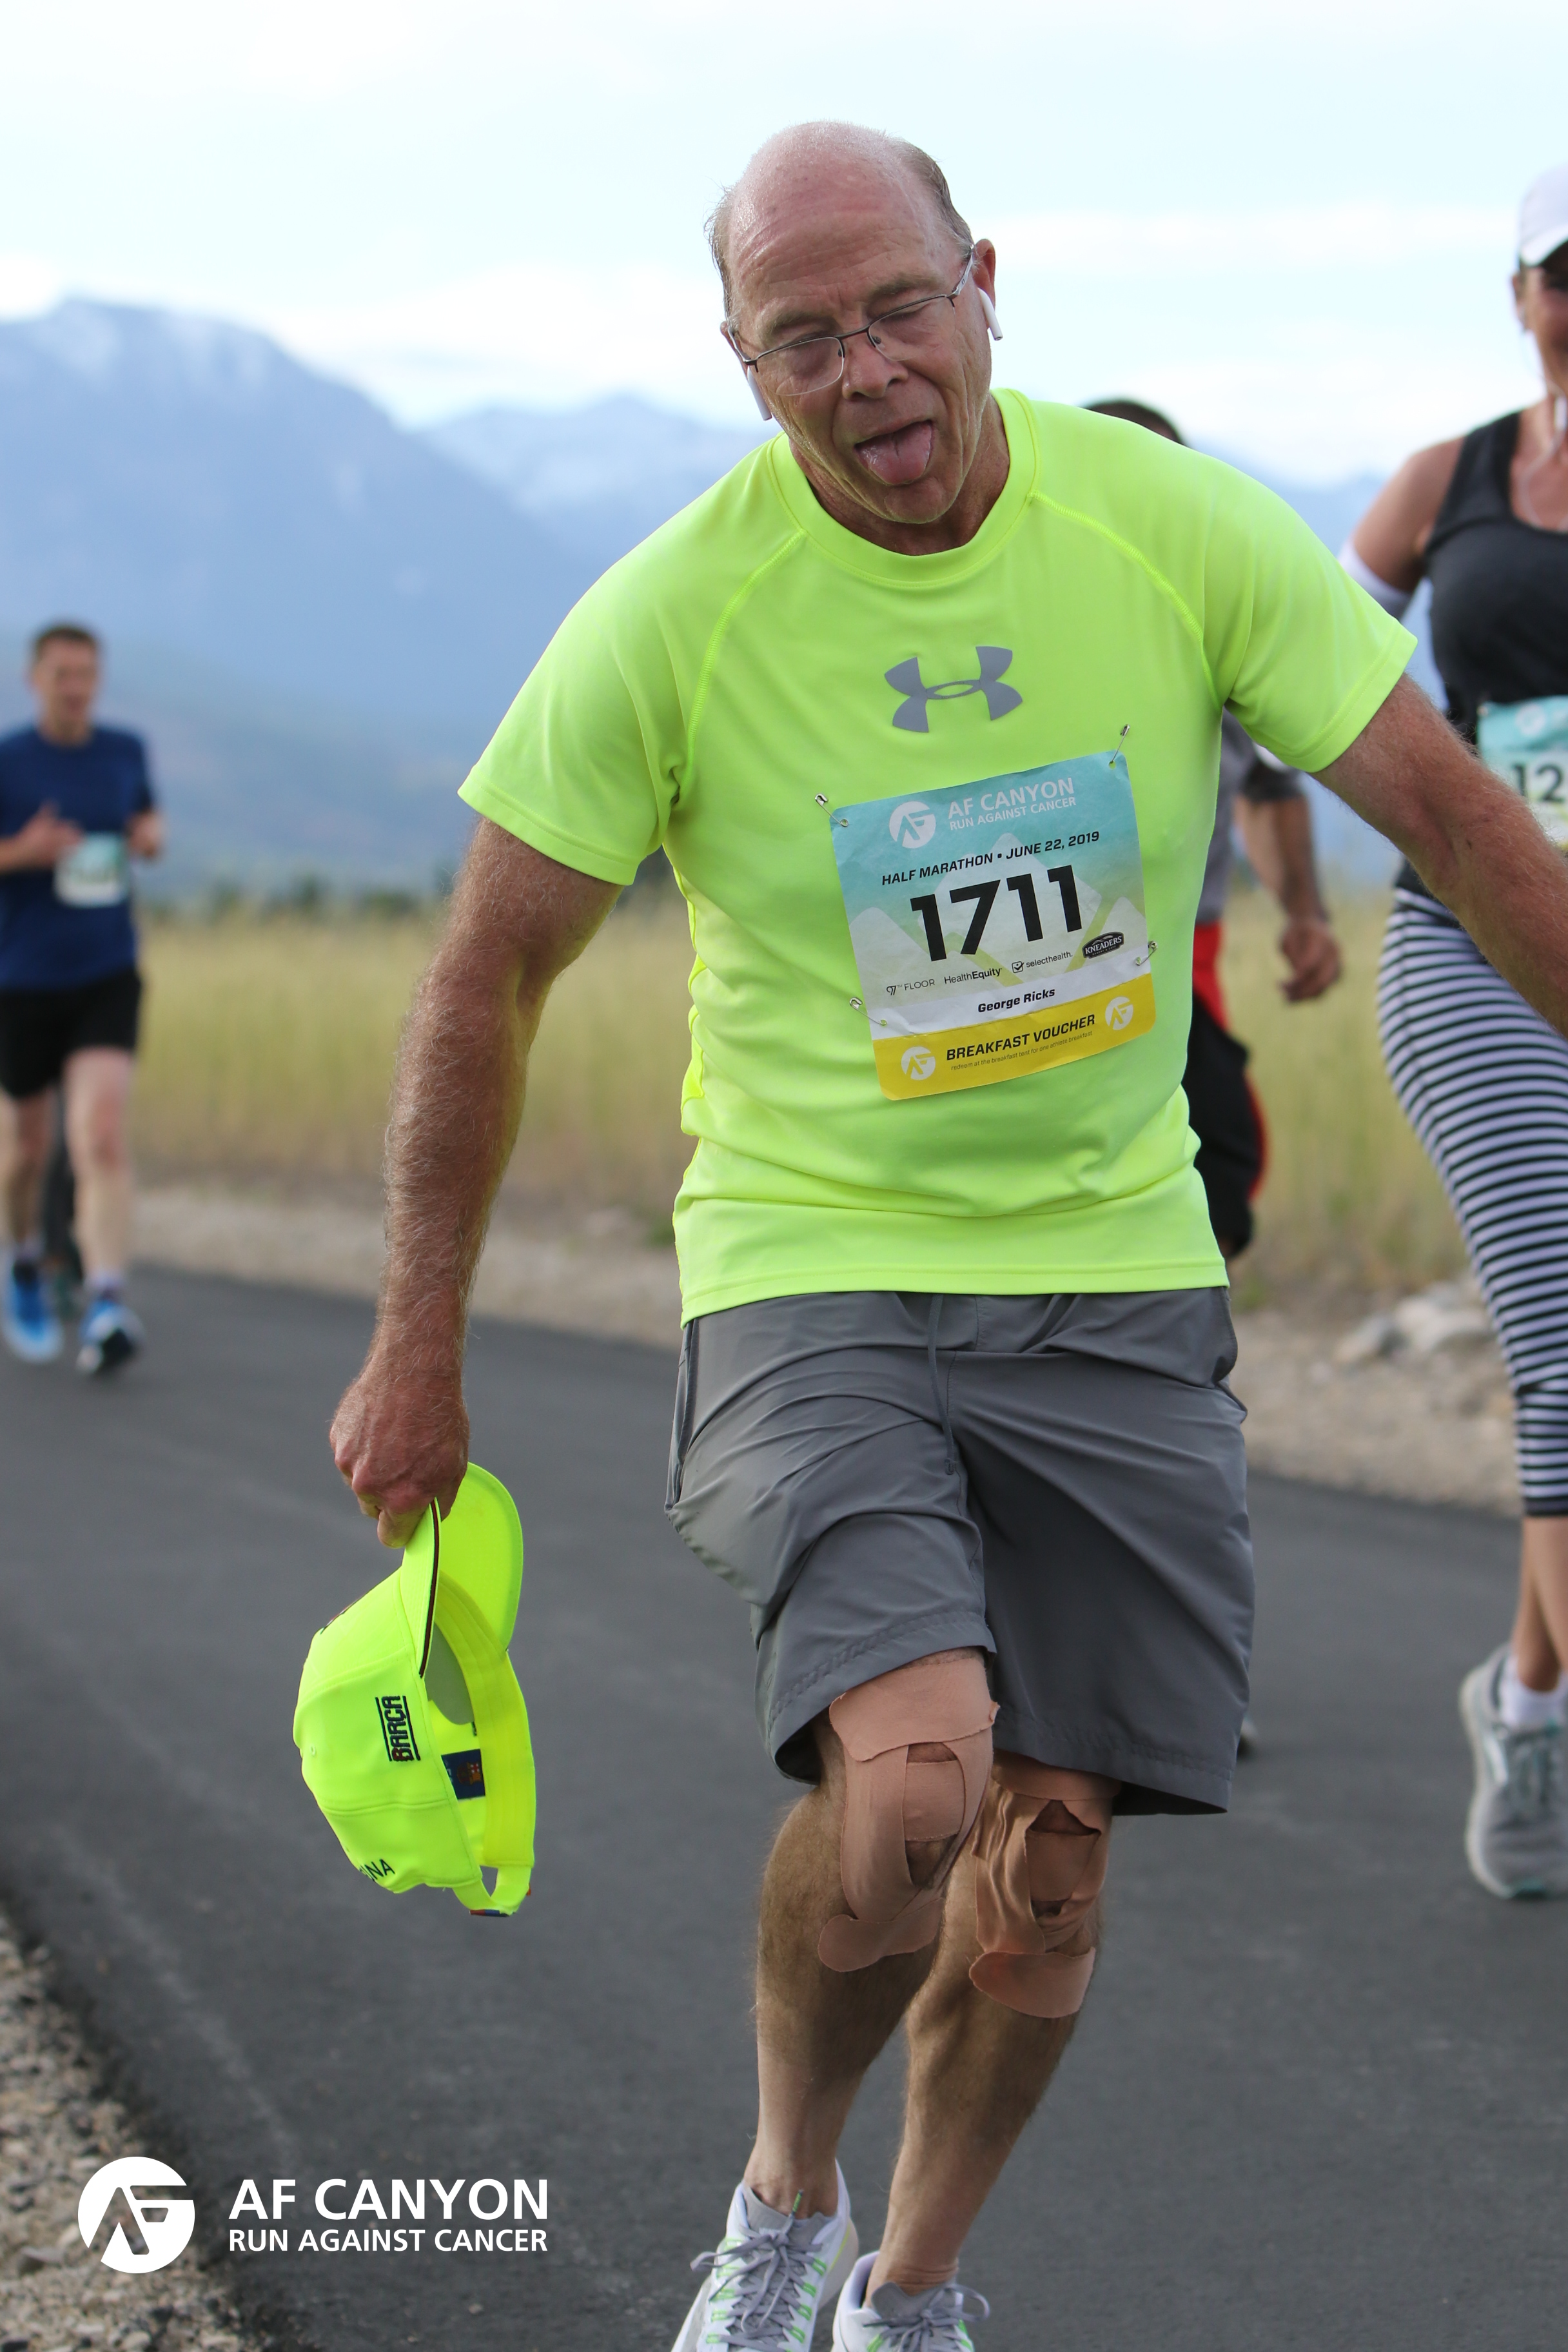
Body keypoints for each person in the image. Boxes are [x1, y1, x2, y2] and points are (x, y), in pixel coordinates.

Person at [329, 124, 1568, 2350]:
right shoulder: (675, 610)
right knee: (912, 1783)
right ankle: (782, 2200)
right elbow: (486, 970)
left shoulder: (1167, 524)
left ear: (985, 281)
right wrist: (416, 1337)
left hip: (1112, 1263)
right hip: (814, 1258)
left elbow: (1462, 825)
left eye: (901, 307)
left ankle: (908, 2290)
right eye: (803, 336)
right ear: (742, 362)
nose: (867, 368)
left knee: (1048, 1858)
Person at [1346, 162, 1568, 1902]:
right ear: (1519, 294)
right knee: (1566, 1343)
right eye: (1567, 272)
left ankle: (1527, 1700)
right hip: (1474, 950)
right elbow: (1295, 678)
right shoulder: (1450, 480)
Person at [1087, 400, 1342, 1259]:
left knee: (1218, 1175)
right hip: (1053, 966)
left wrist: (1305, 916)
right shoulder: (1030, 629)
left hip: (1187, 959)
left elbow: (1268, 782)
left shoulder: (1213, 618)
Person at [0, 623, 161, 1373]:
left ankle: (106, 1301)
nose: (76, 688)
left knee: (99, 1135)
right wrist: (22, 852)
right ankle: (25, 1263)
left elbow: (146, 819)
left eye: (87, 674)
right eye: (62, 674)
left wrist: (149, 835)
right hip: (22, 981)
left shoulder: (124, 751)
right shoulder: (9, 761)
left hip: (106, 972)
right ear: (34, 678)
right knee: (26, 1152)